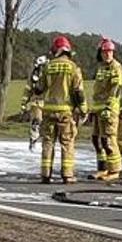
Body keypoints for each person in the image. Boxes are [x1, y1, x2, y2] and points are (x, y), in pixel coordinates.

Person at [32, 36, 85, 183]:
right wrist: (82, 109)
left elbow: (39, 89)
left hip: (49, 111)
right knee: (67, 143)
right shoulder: (73, 68)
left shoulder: (48, 67)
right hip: (65, 112)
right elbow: (78, 92)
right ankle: (67, 175)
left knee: (48, 142)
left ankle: (45, 174)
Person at [87, 38, 122, 181]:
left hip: (109, 110)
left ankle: (114, 170)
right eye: (105, 52)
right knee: (97, 139)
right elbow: (98, 90)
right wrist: (93, 110)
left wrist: (109, 108)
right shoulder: (101, 68)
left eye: (110, 51)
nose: (108, 54)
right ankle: (102, 168)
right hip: (98, 109)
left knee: (109, 140)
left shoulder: (116, 67)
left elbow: (116, 90)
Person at [20, 55, 48, 149]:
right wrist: (23, 103)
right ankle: (34, 142)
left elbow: (27, 90)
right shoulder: (35, 77)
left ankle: (40, 142)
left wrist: (23, 104)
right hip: (38, 103)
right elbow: (28, 90)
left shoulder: (47, 76)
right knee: (36, 123)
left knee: (41, 124)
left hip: (45, 103)